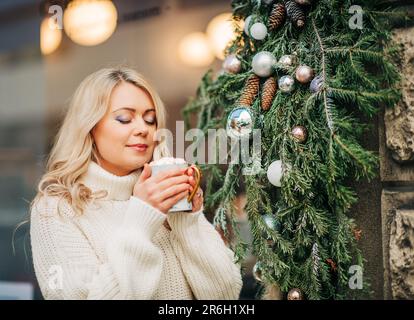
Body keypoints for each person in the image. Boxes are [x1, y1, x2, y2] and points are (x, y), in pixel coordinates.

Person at [30, 67, 242, 300]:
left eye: (150, 120)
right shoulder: (58, 207)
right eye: (124, 119)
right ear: (89, 127)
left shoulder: (166, 191)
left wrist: (186, 223)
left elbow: (225, 297)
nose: (143, 129)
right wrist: (142, 218)